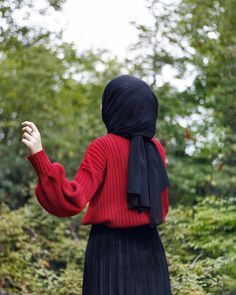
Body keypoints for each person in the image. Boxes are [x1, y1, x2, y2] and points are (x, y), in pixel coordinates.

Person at [21, 74, 172, 295]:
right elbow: (163, 207)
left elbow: (70, 200)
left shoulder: (103, 147)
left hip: (108, 253)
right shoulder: (156, 149)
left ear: (113, 107)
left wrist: (40, 157)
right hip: (151, 252)